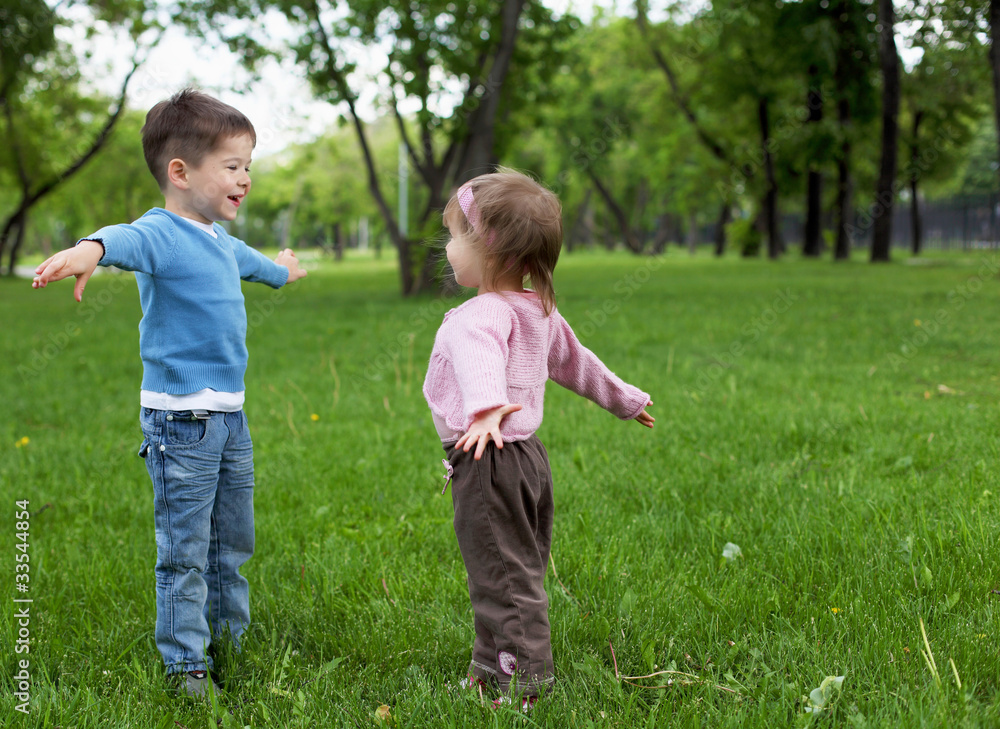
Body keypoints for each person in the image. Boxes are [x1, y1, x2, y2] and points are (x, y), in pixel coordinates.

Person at [31, 89, 307, 699]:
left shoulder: (220, 241)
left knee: (231, 542)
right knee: (185, 551)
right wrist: (88, 249)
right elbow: (122, 240)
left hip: (230, 420)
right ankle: (186, 666)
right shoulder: (161, 233)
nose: (246, 178)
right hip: (180, 424)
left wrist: (284, 268)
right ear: (180, 173)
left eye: (248, 165)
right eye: (232, 166)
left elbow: (259, 267)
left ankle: (230, 639)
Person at [423, 169, 654, 709]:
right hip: (528, 462)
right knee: (509, 569)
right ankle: (489, 671)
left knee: (503, 578)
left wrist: (485, 412)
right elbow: (579, 363)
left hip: (489, 459)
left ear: (492, 248)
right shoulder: (538, 310)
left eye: (455, 236)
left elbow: (480, 360)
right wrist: (625, 399)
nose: (447, 248)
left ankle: (525, 685)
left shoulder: (482, 312)